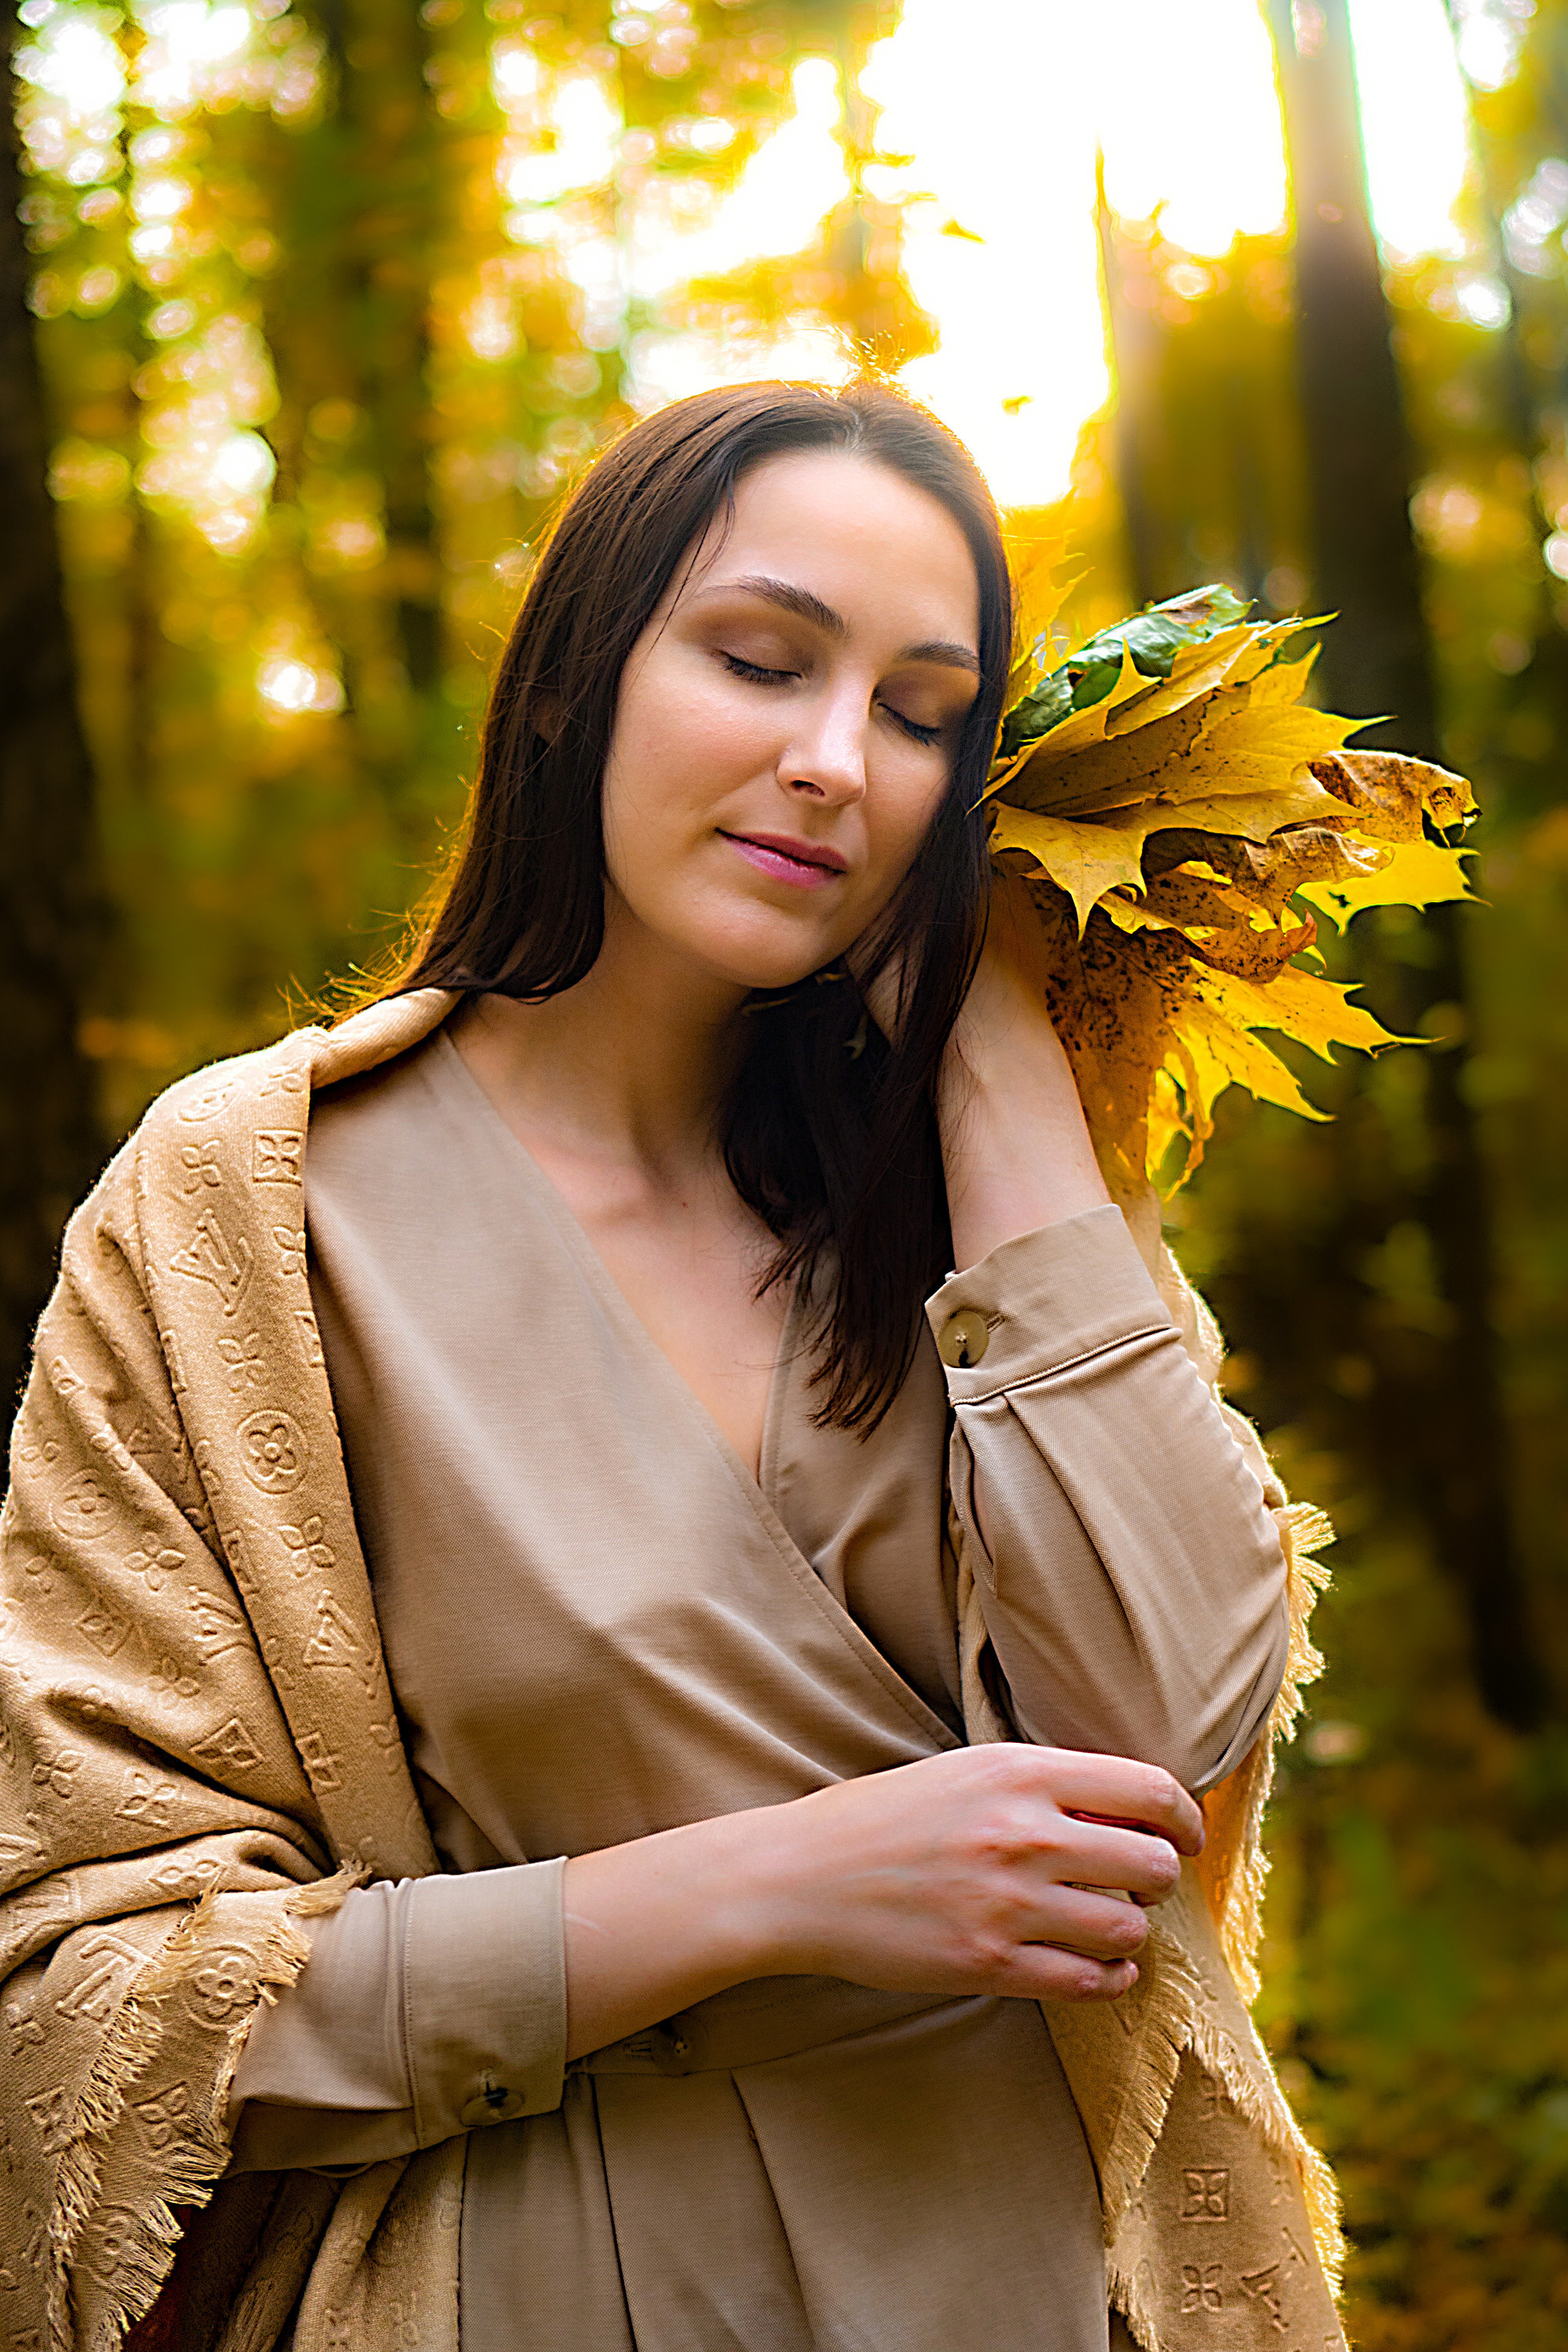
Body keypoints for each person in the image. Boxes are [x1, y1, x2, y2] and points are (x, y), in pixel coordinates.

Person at [0, 382, 1328, 2352]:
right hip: (567, 2281)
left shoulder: (992, 1192)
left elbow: (1172, 1755)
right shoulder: (248, 1214)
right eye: (760, 659)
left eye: (920, 714)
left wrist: (989, 1055)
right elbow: (93, 2006)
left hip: (1056, 2281)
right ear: (570, 682)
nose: (833, 765)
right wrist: (777, 1886)